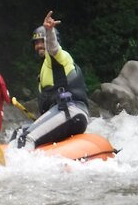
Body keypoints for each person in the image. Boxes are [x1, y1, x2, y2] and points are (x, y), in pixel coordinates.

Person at [16, 11, 89, 149]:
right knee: (19, 132)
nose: (39, 46)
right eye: (36, 43)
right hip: (62, 114)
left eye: (42, 41)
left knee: (26, 138)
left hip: (71, 112)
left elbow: (53, 48)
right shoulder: (45, 69)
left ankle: (16, 169)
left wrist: (49, 32)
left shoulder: (59, 57)